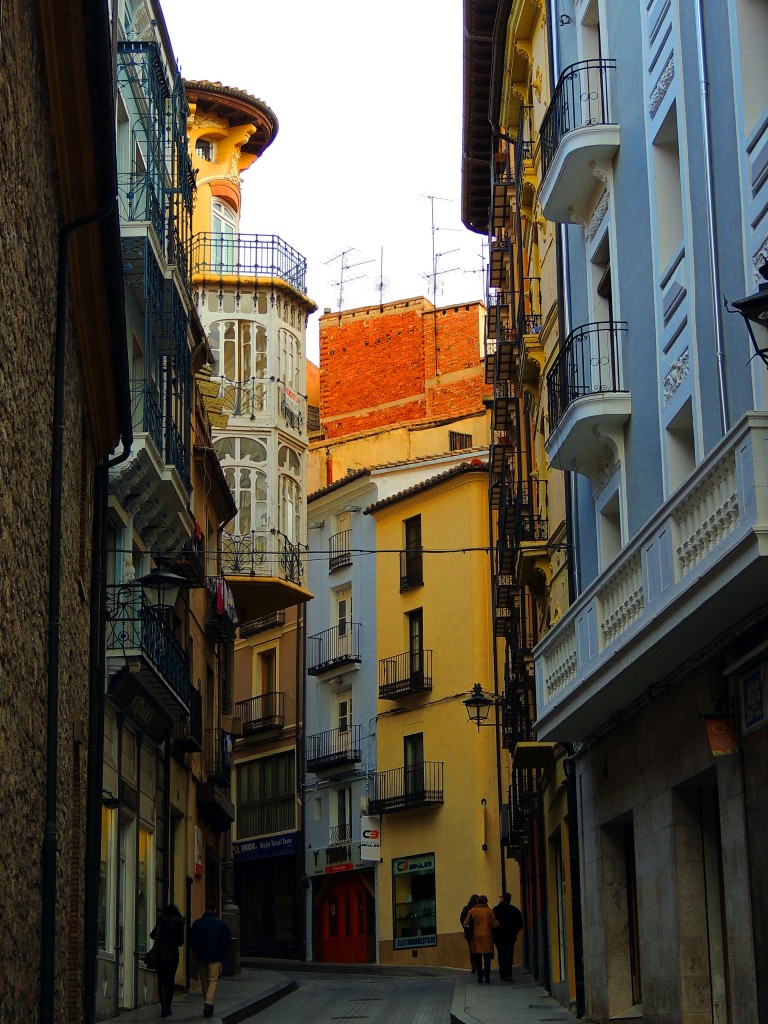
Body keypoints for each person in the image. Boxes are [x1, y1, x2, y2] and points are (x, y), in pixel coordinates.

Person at [189, 900, 233, 1018]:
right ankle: (208, 1003)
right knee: (213, 979)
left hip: (201, 956)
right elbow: (226, 940)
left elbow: (192, 940)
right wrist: (221, 953)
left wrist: (197, 951)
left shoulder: (197, 923)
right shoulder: (221, 923)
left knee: (204, 980)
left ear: (205, 908)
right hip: (215, 957)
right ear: (215, 910)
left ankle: (207, 1002)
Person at [150, 904, 185, 1018]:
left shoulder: (161, 921)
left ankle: (163, 1007)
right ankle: (168, 1007)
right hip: (173, 955)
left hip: (160, 954)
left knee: (161, 981)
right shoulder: (179, 923)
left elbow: (152, 935)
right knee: (170, 981)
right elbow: (181, 941)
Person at [464, 894, 499, 983]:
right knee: (487, 956)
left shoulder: (472, 911)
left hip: (476, 936)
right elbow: (494, 924)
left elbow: (465, 923)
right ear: (486, 901)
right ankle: (487, 975)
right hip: (487, 935)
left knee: (477, 956)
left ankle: (480, 975)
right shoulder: (490, 911)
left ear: (478, 901)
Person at [492, 892, 524, 982]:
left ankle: (502, 973)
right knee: (509, 955)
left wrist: (494, 933)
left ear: (502, 899)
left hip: (499, 937)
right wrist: (514, 931)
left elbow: (492, 923)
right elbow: (520, 924)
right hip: (510, 936)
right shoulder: (514, 910)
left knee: (501, 954)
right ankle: (508, 974)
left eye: (500, 897)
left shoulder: (496, 910)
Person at [459, 894, 479, 972]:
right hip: (478, 931)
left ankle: (473, 967)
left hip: (468, 932)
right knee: (478, 949)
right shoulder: (477, 909)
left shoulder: (466, 908)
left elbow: (461, 920)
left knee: (472, 949)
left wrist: (466, 928)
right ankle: (478, 965)